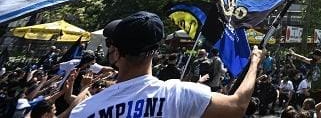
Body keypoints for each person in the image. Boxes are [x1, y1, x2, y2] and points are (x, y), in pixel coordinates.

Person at [69, 11, 264, 118]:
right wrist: (254, 61)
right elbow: (238, 105)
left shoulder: (85, 111)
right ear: (156, 51)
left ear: (116, 53)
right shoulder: (179, 95)